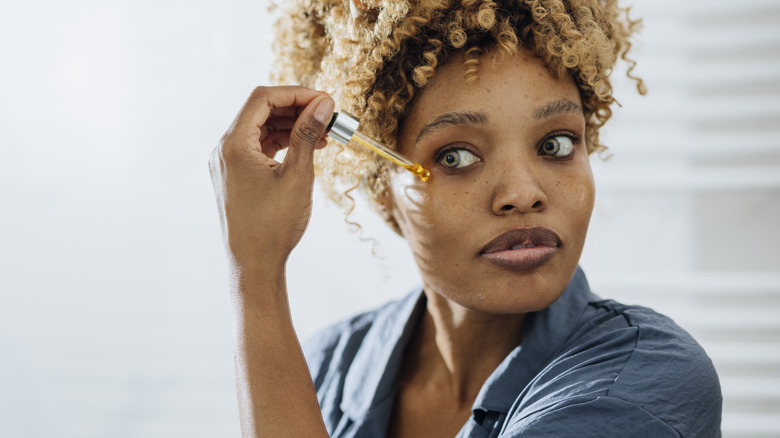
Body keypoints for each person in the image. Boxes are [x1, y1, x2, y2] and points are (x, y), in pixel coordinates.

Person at [209, 0, 722, 436]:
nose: (522, 195)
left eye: (556, 144)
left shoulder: (642, 382)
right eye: (455, 156)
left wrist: (254, 271)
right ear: (382, 193)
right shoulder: (325, 368)